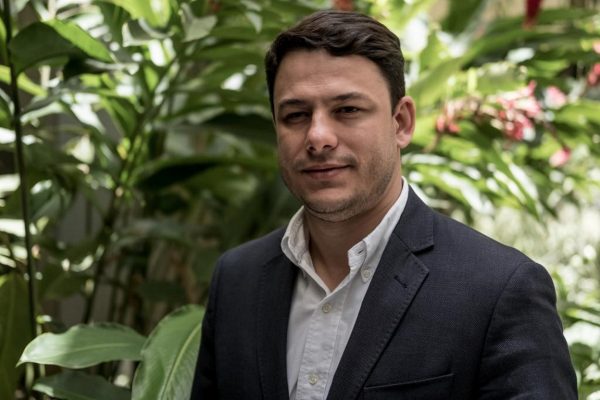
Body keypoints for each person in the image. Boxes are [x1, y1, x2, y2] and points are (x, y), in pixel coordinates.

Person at [190, 9, 577, 400]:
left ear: (401, 122)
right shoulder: (238, 280)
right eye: (296, 115)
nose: (318, 137)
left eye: (347, 110)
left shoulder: (498, 290)